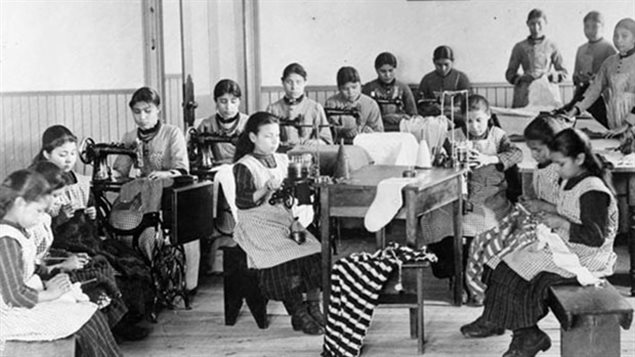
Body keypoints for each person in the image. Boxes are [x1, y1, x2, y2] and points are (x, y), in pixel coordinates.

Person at [460, 128, 618, 357]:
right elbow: (571, 211)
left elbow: (595, 237)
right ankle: (514, 327)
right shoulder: (573, 179)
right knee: (503, 262)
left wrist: (560, 222)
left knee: (527, 276)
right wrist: (551, 214)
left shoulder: (593, 190)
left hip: (586, 258)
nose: (558, 171)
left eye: (561, 164)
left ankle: (526, 336)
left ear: (580, 158)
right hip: (566, 247)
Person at [32, 126, 152, 340]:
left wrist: (92, 212)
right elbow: (39, 233)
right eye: (62, 155)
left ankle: (131, 318)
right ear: (46, 154)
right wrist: (60, 217)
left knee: (131, 259)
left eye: (72, 154)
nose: (69, 160)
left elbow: (90, 214)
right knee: (101, 264)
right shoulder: (39, 183)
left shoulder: (75, 178)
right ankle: (118, 325)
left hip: (83, 237)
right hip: (61, 244)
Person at [0, 169, 122, 357]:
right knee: (83, 323)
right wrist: (51, 293)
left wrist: (52, 275)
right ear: (19, 203)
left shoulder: (19, 231)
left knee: (90, 315)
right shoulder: (6, 240)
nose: (40, 216)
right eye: (38, 210)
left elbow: (30, 266)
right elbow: (14, 295)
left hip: (26, 302)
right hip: (11, 316)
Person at [232, 112, 323, 335]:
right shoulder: (245, 165)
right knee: (283, 255)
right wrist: (266, 188)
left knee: (315, 250)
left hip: (282, 220)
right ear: (253, 137)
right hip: (256, 224)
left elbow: (300, 196)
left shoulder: (284, 160)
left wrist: (307, 182)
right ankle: (298, 313)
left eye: (277, 136)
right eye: (268, 136)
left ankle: (314, 307)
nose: (275, 141)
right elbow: (242, 202)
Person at [465, 114, 566, 304]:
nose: (534, 155)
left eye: (538, 150)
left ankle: (498, 298)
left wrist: (540, 205)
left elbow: (569, 209)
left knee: (502, 249)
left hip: (553, 230)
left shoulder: (562, 171)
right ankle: (480, 292)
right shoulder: (541, 167)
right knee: (482, 241)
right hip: (534, 220)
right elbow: (538, 197)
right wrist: (528, 201)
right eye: (532, 150)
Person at [567, 18, 635, 136]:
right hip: (614, 120)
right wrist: (574, 110)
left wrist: (628, 124)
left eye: (624, 36)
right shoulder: (609, 62)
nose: (619, 40)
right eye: (615, 36)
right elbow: (594, 89)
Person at [113, 86, 189, 179]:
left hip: (170, 188)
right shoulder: (130, 137)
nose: (142, 117)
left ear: (158, 109)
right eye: (137, 112)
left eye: (147, 111)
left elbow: (182, 170)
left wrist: (165, 174)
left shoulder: (172, 133)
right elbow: (120, 171)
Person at [505, 9, 568, 108]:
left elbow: (564, 73)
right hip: (525, 94)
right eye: (532, 24)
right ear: (527, 24)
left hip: (547, 92)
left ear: (545, 23)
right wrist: (521, 78)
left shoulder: (552, 45)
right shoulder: (520, 47)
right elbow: (509, 73)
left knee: (548, 120)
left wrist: (549, 76)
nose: (536, 28)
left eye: (539, 23)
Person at [566, 11, 617, 128]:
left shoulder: (608, 48)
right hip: (583, 93)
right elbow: (575, 76)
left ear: (602, 27)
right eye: (587, 27)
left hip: (603, 97)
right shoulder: (581, 49)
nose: (590, 30)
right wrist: (577, 78)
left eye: (595, 26)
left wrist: (598, 78)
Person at [266, 63, 333, 148]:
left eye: (298, 82)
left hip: (308, 154)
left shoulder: (315, 108)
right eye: (289, 82)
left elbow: (327, 139)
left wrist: (318, 142)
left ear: (305, 82)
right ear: (282, 82)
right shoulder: (273, 109)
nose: (294, 87)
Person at [325, 66, 384, 143]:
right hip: (340, 143)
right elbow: (328, 129)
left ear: (360, 85)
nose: (350, 92)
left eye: (354, 87)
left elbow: (379, 131)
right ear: (339, 89)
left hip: (366, 143)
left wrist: (370, 131)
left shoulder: (371, 104)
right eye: (345, 89)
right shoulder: (331, 103)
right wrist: (343, 131)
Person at [195, 79, 249, 163]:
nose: (228, 107)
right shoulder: (207, 124)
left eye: (233, 101)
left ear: (239, 101)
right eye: (223, 101)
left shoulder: (248, 123)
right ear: (215, 101)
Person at [362, 52, 418, 131]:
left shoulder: (404, 88)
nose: (387, 75)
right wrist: (384, 117)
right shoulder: (369, 88)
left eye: (390, 70)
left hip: (401, 129)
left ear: (395, 69)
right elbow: (363, 115)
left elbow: (414, 115)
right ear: (376, 70)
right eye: (383, 71)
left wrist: (402, 117)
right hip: (377, 129)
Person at [418, 45, 471, 120]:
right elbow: (421, 104)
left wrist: (452, 108)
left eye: (446, 64)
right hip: (434, 119)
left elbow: (469, 103)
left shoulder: (461, 78)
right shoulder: (427, 79)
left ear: (452, 61)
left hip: (457, 119)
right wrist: (431, 107)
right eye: (439, 65)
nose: (443, 69)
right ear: (433, 62)